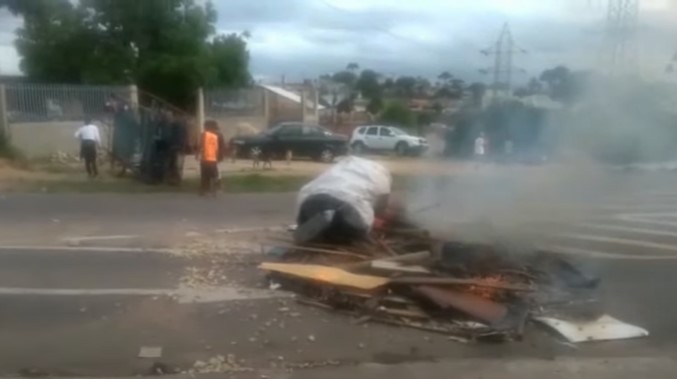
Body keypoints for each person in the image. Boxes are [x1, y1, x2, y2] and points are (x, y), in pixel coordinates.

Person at [196, 120, 227, 196]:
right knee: (215, 174)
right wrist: (221, 156)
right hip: (215, 158)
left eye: (205, 126)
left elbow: (200, 145)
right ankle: (216, 189)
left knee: (205, 174)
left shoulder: (204, 134)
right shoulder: (219, 135)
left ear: (209, 126)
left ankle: (205, 189)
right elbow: (222, 147)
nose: (204, 127)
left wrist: (197, 154)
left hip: (205, 158)